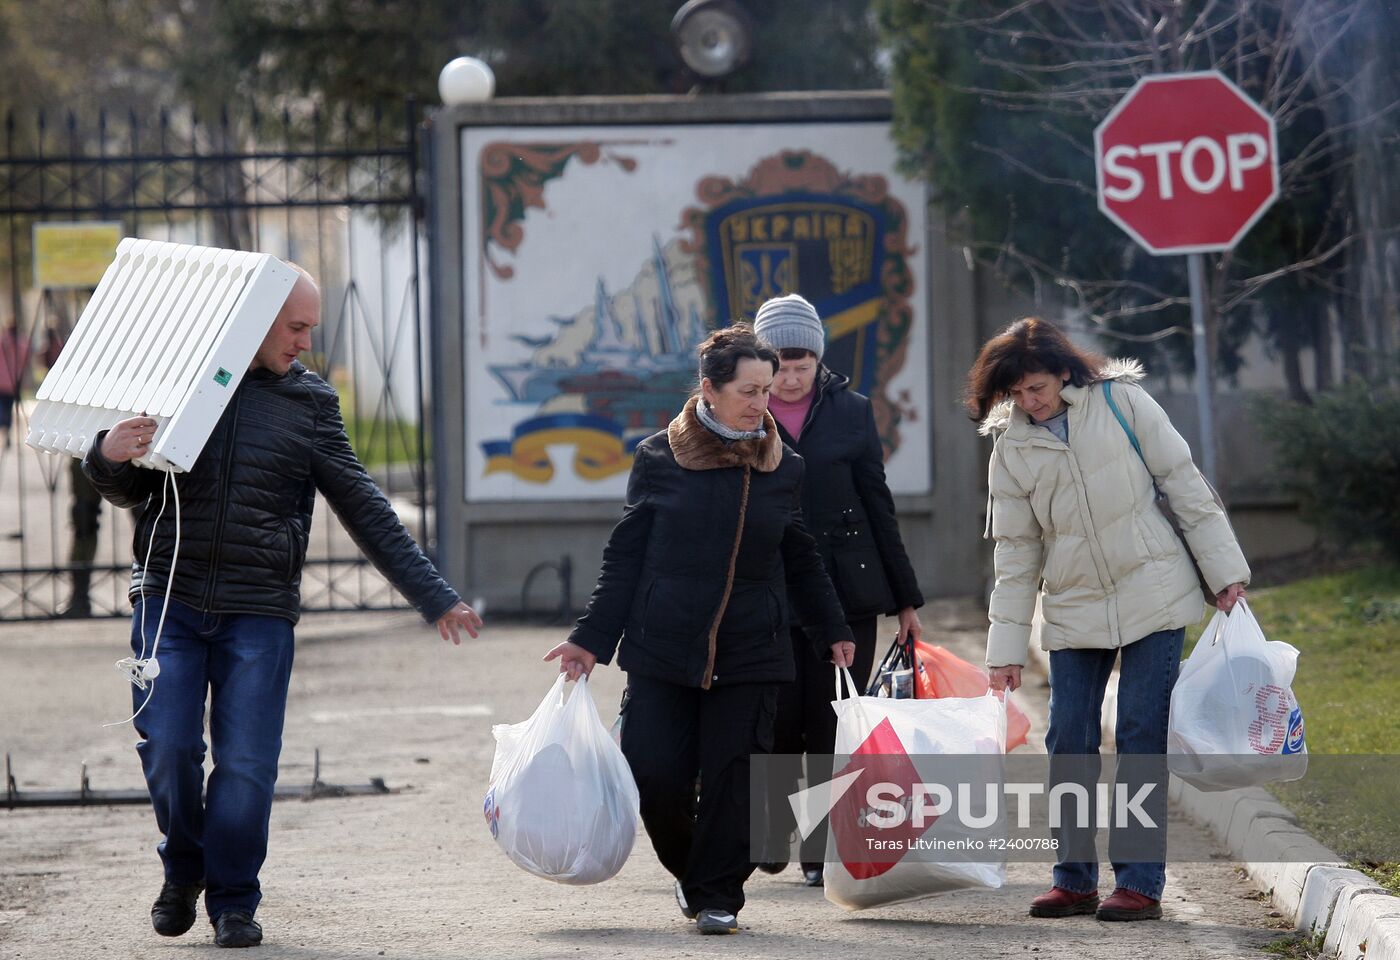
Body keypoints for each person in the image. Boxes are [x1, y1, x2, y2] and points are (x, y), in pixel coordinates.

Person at [82, 265, 482, 949]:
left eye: (309, 329)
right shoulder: (175, 384)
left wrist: (433, 595)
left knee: (246, 767)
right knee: (170, 745)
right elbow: (127, 487)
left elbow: (364, 504)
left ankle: (234, 901)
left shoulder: (310, 404)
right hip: (167, 599)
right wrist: (106, 457)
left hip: (259, 610)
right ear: (257, 317)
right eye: (295, 327)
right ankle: (184, 869)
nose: (304, 341)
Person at [543, 324, 854, 936]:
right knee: (654, 775)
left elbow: (800, 555)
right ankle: (695, 872)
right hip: (663, 646)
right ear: (709, 390)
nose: (762, 402)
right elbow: (625, 556)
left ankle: (718, 896)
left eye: (767, 390)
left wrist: (831, 627)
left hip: (754, 647)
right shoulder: (659, 456)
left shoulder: (782, 465)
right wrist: (590, 639)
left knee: (737, 780)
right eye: (748, 390)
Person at [969, 317, 1248, 922]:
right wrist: (1006, 649)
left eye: (1036, 388)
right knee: (1068, 739)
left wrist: (1224, 572)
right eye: (1015, 394)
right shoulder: (1011, 448)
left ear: (1064, 372)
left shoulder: (1123, 402)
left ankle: (1140, 882)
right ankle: (1073, 879)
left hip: (1154, 589)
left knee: (1141, 732)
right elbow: (1016, 557)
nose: (1029, 402)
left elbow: (1184, 484)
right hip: (1071, 606)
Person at [751, 293, 924, 887]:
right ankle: (769, 836)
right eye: (780, 365)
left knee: (833, 722)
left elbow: (879, 504)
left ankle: (818, 852)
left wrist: (905, 600)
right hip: (770, 589)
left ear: (819, 360)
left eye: (801, 366)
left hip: (848, 590)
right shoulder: (745, 412)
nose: (790, 378)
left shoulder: (852, 411)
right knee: (772, 717)